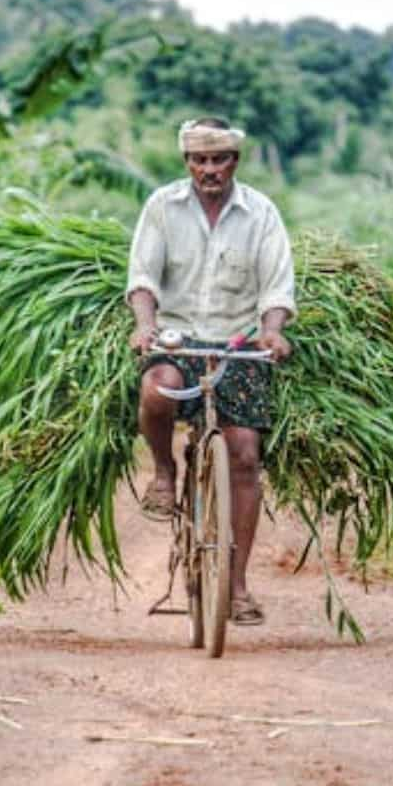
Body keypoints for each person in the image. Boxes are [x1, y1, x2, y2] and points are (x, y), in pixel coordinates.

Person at [125, 117, 296, 626]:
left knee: (244, 453)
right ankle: (163, 469)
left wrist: (272, 330)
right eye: (199, 161)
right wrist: (146, 327)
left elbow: (276, 286)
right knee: (158, 390)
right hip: (177, 337)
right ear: (187, 164)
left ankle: (237, 587)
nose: (209, 170)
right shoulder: (162, 206)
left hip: (237, 343)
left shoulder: (261, 213)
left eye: (218, 160)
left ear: (234, 162)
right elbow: (142, 278)